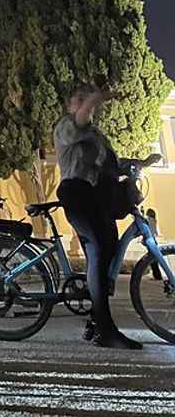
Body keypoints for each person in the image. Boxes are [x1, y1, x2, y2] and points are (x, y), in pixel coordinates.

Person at [55, 85, 160, 350]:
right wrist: (93, 99)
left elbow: (109, 163)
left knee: (108, 250)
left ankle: (94, 320)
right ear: (70, 107)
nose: (84, 106)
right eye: (78, 101)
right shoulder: (66, 127)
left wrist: (140, 163)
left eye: (86, 101)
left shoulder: (96, 135)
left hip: (95, 197)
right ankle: (105, 331)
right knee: (99, 251)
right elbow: (80, 121)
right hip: (77, 194)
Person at [146, 208, 163, 281]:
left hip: (150, 241)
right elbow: (156, 233)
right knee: (154, 259)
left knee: (153, 259)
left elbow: (149, 231)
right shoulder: (154, 221)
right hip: (154, 241)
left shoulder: (149, 220)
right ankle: (157, 275)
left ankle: (157, 276)